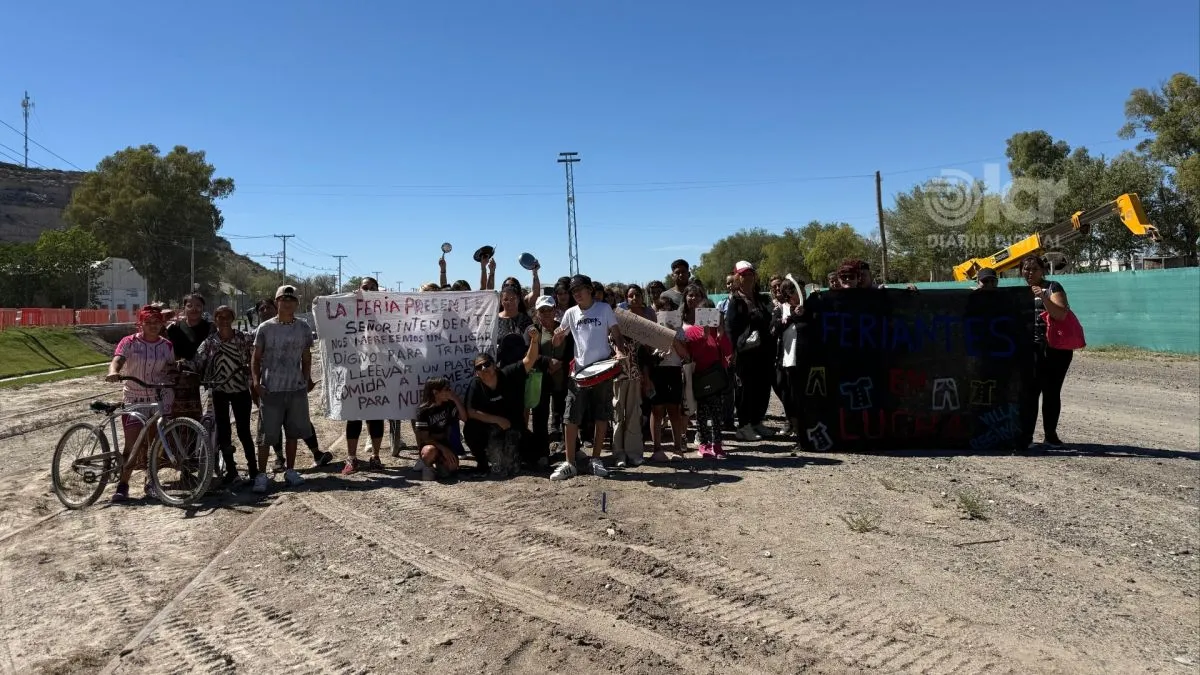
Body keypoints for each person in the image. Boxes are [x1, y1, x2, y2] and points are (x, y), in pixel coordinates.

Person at [550, 274, 626, 481]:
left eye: (580, 290)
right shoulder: (571, 313)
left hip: (602, 369)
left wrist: (619, 351)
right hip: (579, 373)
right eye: (573, 292)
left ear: (590, 289)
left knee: (601, 416)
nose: (577, 295)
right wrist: (557, 338)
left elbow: (617, 333)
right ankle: (569, 463)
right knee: (570, 417)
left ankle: (595, 459)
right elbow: (558, 341)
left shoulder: (604, 309)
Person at [105, 305, 176, 502]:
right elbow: (118, 359)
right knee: (132, 445)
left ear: (162, 324)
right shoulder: (128, 342)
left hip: (157, 399)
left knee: (155, 443)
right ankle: (123, 484)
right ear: (141, 324)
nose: (153, 326)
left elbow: (170, 366)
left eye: (157, 323)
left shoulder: (166, 346)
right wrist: (114, 371)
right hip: (134, 399)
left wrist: (176, 370)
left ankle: (151, 481)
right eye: (148, 323)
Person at [464, 325, 554, 478]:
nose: (484, 368)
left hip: (513, 427)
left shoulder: (508, 374)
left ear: (494, 365)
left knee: (536, 451)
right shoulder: (475, 384)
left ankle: (515, 457)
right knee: (470, 429)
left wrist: (534, 340)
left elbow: (529, 360)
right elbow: (470, 411)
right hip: (489, 429)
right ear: (476, 373)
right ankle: (482, 462)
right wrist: (497, 420)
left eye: (487, 364)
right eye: (479, 367)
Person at [251, 285, 316, 492]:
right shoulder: (265, 328)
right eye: (283, 299)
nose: (287, 303)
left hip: (295, 388)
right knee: (266, 435)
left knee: (293, 432)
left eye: (291, 299)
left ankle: (290, 470)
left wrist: (306, 380)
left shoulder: (304, 328)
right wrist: (256, 382)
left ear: (296, 303)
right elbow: (256, 358)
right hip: (271, 389)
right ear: (276, 302)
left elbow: (307, 357)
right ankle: (261, 475)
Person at [192, 305, 256, 484]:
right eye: (220, 317)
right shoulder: (210, 342)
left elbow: (254, 360)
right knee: (223, 432)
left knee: (244, 431)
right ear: (216, 319)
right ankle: (232, 471)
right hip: (219, 391)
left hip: (241, 391)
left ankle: (253, 469)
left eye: (228, 316)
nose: (224, 320)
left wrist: (253, 380)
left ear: (233, 318)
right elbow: (198, 361)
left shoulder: (243, 338)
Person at [1019, 255, 1074, 449]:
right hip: (1029, 350)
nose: (1030, 272)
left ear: (1043, 270)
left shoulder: (1053, 287)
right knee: (1030, 393)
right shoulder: (1018, 292)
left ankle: (1050, 435)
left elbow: (1060, 313)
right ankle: (1026, 436)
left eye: (1034, 269)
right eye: (1026, 269)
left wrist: (1043, 297)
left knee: (1051, 391)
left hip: (1055, 349)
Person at [725, 261, 775, 441]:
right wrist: (732, 353)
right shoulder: (735, 302)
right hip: (745, 354)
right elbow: (730, 329)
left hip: (764, 352)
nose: (748, 277)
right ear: (737, 277)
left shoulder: (761, 298)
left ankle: (756, 422)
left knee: (763, 388)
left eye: (750, 274)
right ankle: (744, 426)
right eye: (744, 274)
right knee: (746, 390)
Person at [343, 277, 388, 475]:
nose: (368, 290)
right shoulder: (346, 311)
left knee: (376, 416)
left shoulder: (387, 311)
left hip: (377, 369)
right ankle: (352, 459)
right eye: (365, 287)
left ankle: (375, 457)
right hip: (354, 370)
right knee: (353, 416)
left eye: (372, 288)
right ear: (358, 290)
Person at [166, 294, 213, 422]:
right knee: (182, 415)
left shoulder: (210, 328)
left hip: (206, 376)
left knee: (210, 416)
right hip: (182, 378)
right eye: (190, 305)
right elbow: (168, 349)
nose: (194, 309)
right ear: (184, 308)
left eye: (198, 306)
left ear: (203, 308)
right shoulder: (174, 328)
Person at [414, 377, 466, 480]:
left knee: (452, 467)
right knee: (429, 453)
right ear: (435, 392)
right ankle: (425, 463)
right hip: (430, 444)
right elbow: (425, 438)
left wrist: (455, 398)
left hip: (444, 442)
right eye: (446, 389)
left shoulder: (448, 405)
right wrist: (443, 449)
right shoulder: (423, 411)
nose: (449, 392)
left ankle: (439, 463)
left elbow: (464, 418)